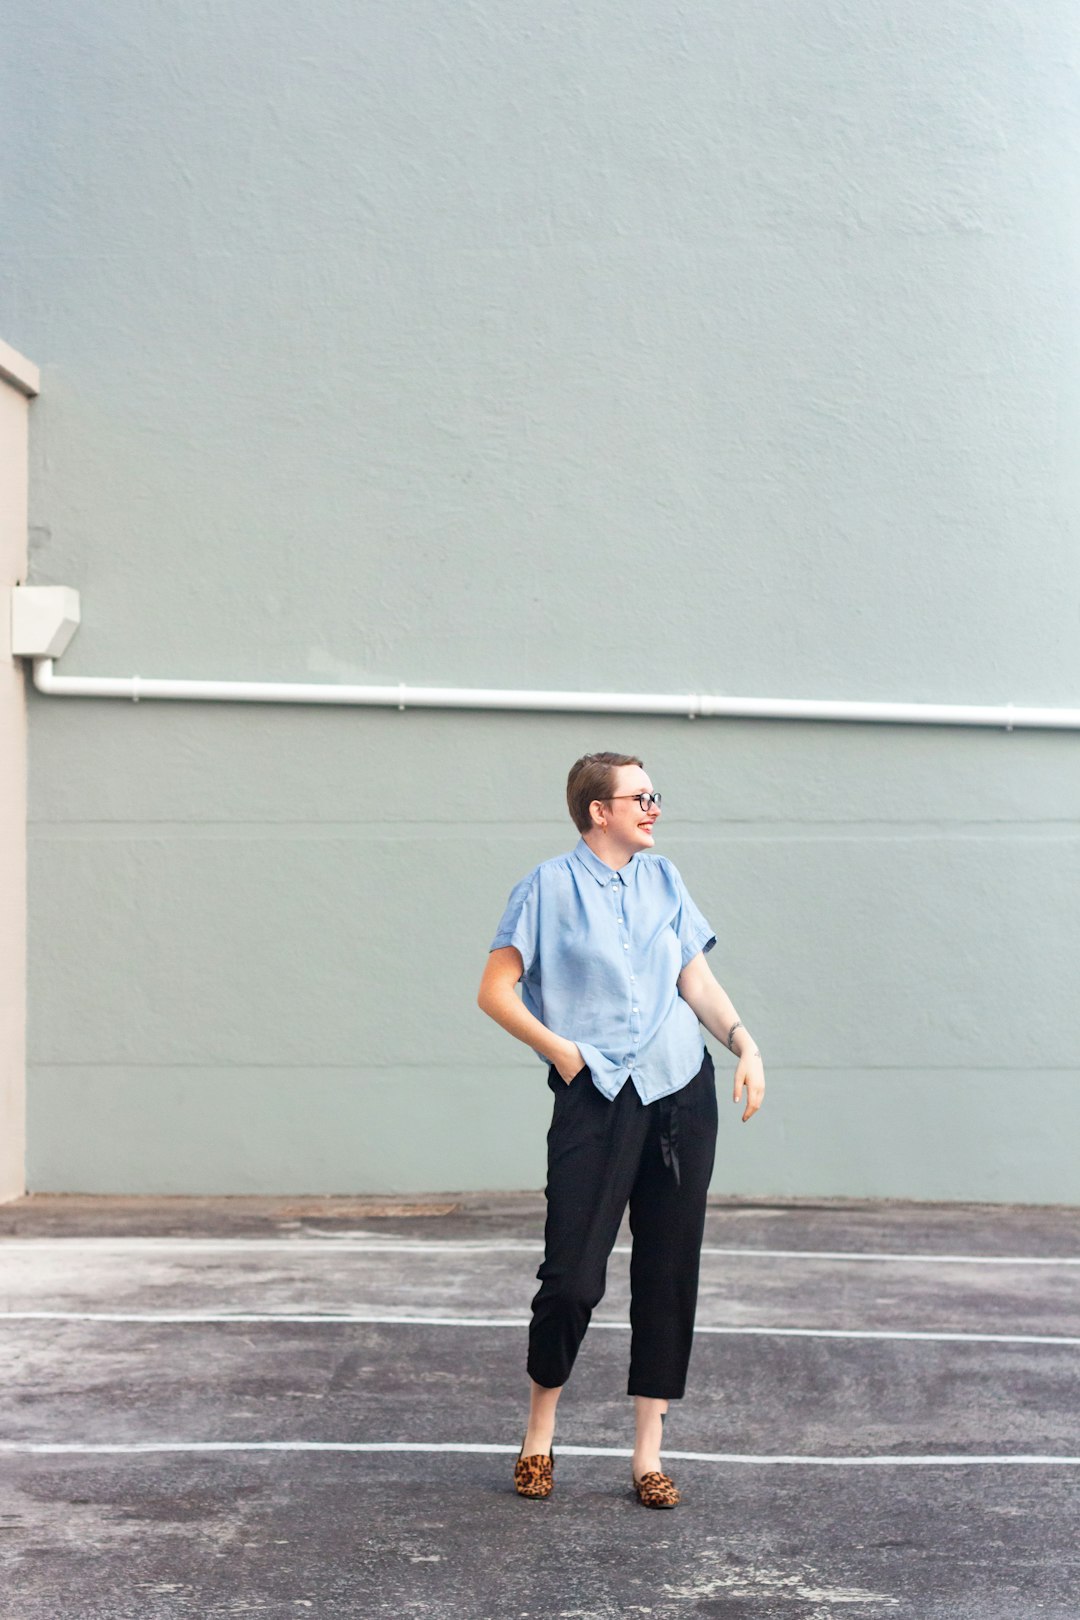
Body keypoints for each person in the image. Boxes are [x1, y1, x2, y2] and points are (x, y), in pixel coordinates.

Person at [477, 751, 765, 1507]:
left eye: (654, 795)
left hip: (680, 1091)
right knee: (572, 1277)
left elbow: (692, 979)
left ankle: (647, 1455)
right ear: (598, 810)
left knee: (668, 1274)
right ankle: (539, 1433)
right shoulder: (545, 888)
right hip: (596, 1096)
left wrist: (744, 1041)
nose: (654, 808)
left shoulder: (665, 880)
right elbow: (494, 990)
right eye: (641, 797)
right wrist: (564, 1052)